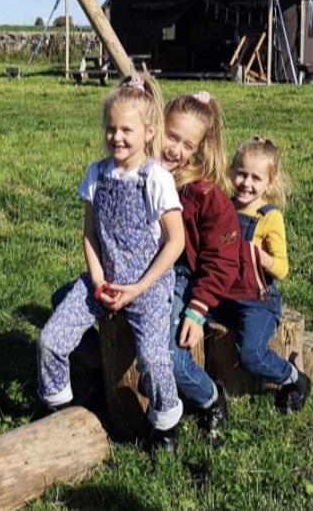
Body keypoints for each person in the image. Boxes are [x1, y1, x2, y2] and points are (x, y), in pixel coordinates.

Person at [38, 74, 186, 451]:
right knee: (50, 340)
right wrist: (98, 278)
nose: (117, 138)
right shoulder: (96, 174)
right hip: (102, 279)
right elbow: (90, 234)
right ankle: (62, 409)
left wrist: (138, 287)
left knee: (153, 359)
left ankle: (165, 424)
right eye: (110, 129)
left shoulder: (156, 179)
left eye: (126, 130)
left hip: (146, 284)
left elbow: (175, 242)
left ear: (149, 132)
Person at [159, 91, 254, 436]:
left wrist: (198, 310)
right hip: (145, 270)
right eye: (171, 136)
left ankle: (209, 398)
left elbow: (222, 259)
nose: (175, 150)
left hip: (186, 277)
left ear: (199, 149)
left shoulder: (205, 194)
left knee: (172, 357)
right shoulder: (147, 173)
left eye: (187, 145)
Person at [227, 136, 310, 411]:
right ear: (232, 172)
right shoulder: (226, 208)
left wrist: (258, 255)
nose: (246, 183)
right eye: (241, 174)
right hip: (224, 294)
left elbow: (282, 268)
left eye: (255, 178)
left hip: (257, 300)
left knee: (250, 354)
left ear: (269, 183)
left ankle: (293, 376)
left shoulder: (269, 217)